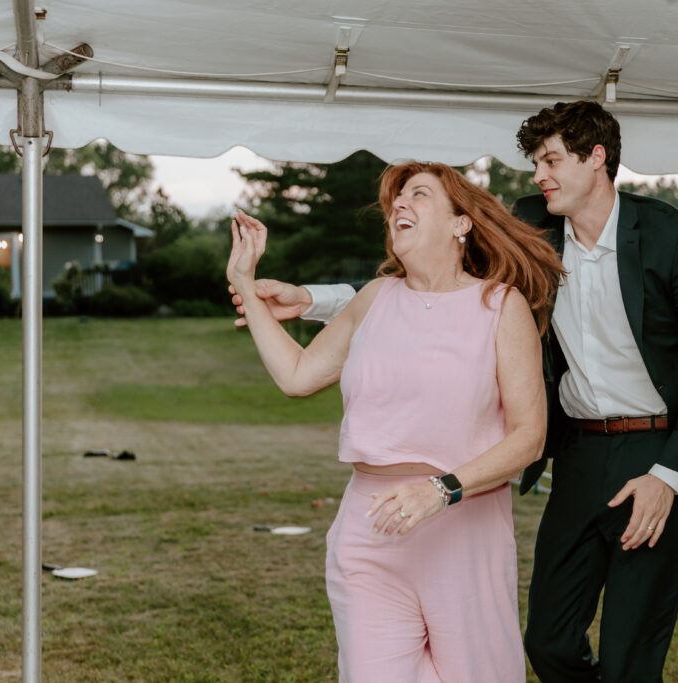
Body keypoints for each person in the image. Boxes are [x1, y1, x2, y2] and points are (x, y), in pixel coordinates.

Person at [233, 101, 678, 682]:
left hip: (655, 450)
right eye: (535, 162)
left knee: (629, 655)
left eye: (550, 160)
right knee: (548, 640)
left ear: (597, 158)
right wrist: (312, 298)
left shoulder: (669, 233)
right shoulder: (533, 218)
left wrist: (669, 475)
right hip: (577, 452)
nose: (537, 175)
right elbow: (427, 285)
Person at [226, 160, 564, 683]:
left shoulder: (499, 305)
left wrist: (441, 490)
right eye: (396, 200)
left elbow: (529, 436)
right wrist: (245, 283)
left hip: (463, 527)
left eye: (419, 195)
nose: (399, 205)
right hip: (369, 532)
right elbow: (297, 375)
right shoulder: (375, 298)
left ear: (460, 223)